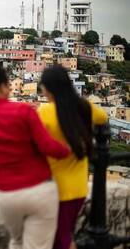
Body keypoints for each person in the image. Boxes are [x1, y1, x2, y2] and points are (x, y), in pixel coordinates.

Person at [0, 64, 70, 249]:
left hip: (7, 196)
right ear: (2, 87)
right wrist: (68, 149)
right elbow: (47, 146)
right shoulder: (23, 111)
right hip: (39, 191)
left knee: (17, 242)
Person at [38, 65, 108, 249]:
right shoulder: (85, 108)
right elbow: (102, 117)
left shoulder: (45, 112)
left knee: (62, 241)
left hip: (56, 190)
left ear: (48, 88)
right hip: (78, 188)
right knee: (64, 237)